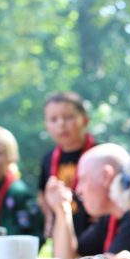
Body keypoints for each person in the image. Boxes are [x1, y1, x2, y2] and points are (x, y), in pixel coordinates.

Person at [36, 92, 96, 239]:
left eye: (68, 117)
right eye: (53, 119)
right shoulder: (48, 158)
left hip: (94, 232)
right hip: (62, 233)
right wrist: (49, 217)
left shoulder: (98, 155)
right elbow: (42, 194)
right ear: (46, 125)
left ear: (85, 120)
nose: (61, 124)